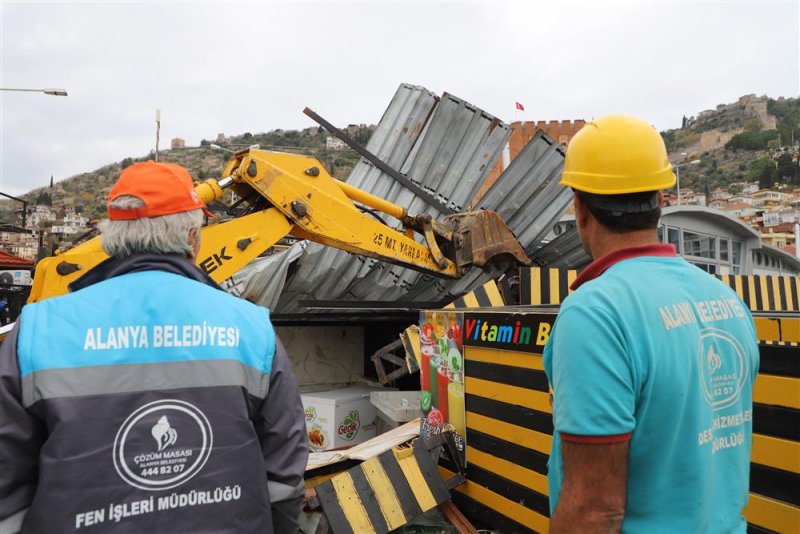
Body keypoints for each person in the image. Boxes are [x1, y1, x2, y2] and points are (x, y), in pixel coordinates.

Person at [0, 161, 308, 533]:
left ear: (111, 236)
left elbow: (7, 479)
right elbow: (284, 470)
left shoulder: (37, 330)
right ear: (193, 236)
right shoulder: (251, 328)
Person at [543, 115, 759, 532]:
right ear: (660, 200)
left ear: (581, 208)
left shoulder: (595, 313)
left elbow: (594, 510)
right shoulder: (727, 302)